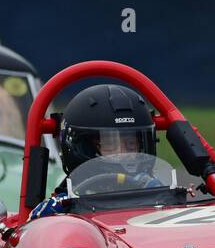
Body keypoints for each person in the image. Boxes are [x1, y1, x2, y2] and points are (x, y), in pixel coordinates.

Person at [30, 84, 160, 219]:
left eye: (131, 144)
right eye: (110, 144)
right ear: (85, 148)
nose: (123, 153)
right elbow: (33, 229)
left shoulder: (155, 190)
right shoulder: (61, 204)